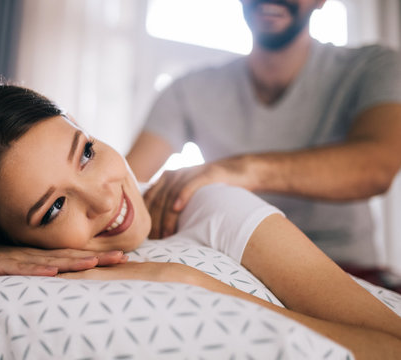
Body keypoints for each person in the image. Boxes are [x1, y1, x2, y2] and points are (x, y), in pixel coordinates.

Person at [0, 83, 401, 358]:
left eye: (87, 153)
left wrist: (192, 283)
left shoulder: (208, 207)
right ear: (13, 242)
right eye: (53, 208)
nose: (104, 199)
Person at [126, 0, 401, 266]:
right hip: (235, 264)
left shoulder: (373, 66)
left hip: (346, 266)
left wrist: (241, 170)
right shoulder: (186, 90)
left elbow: (377, 167)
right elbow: (128, 179)